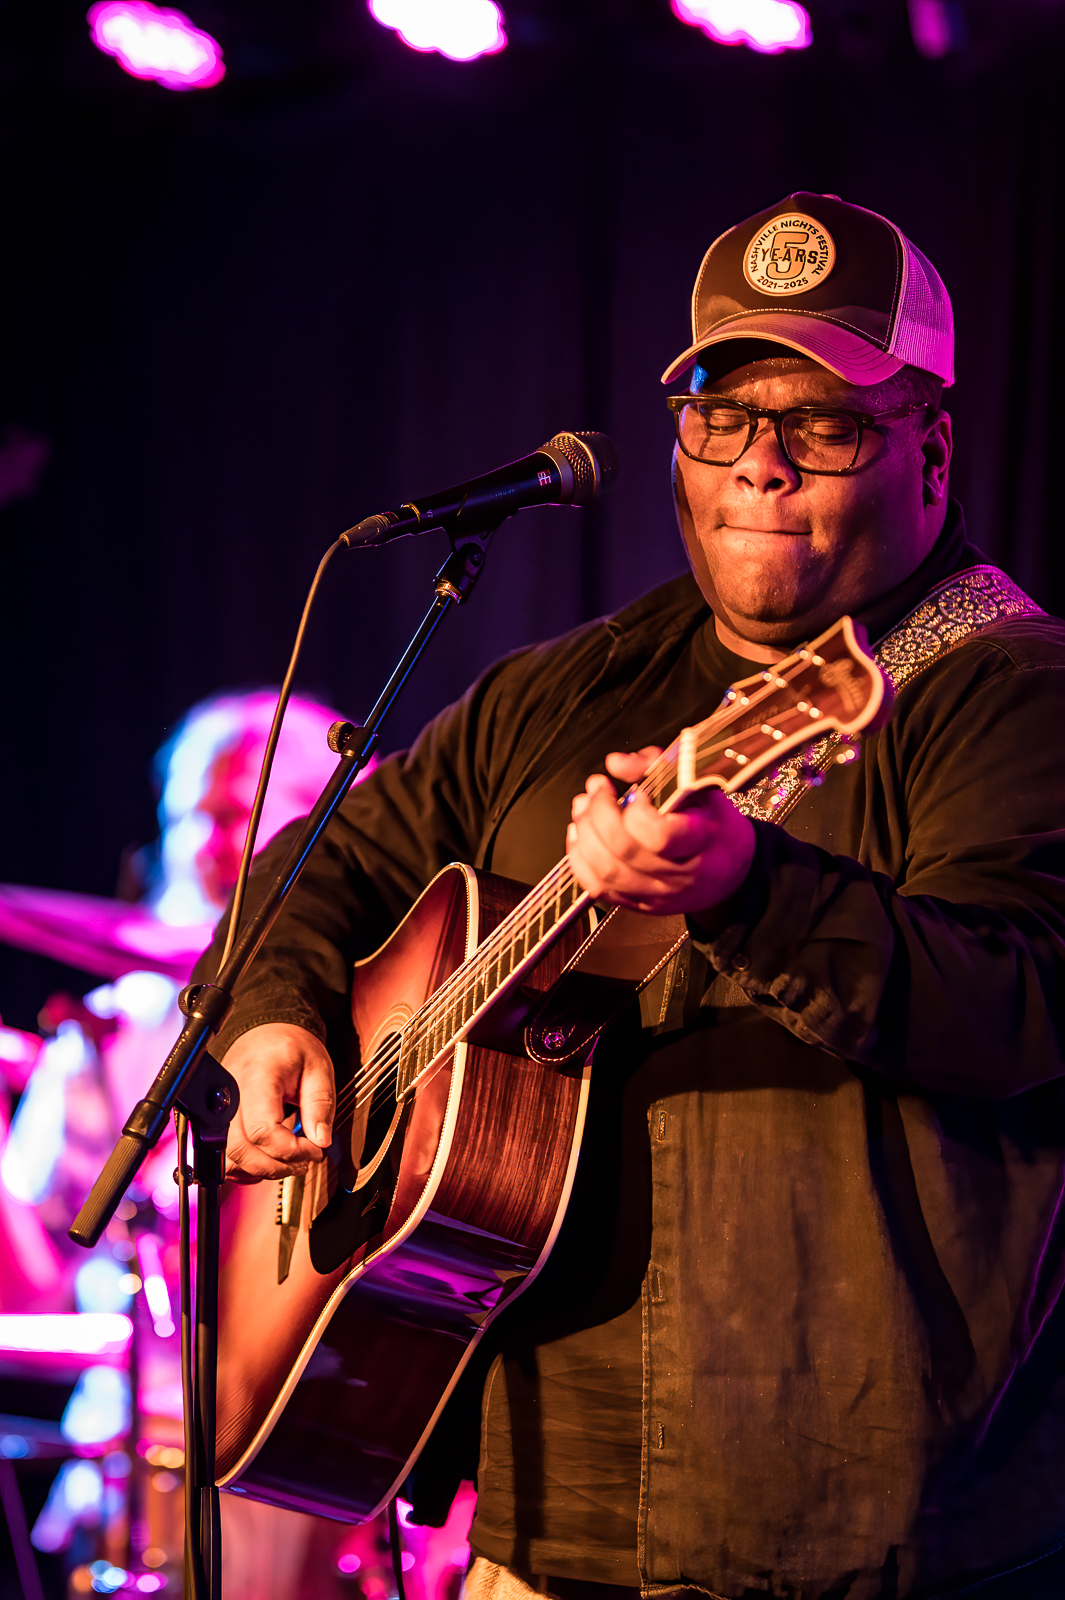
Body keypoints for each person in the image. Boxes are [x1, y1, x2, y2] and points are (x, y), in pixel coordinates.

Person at [204, 194, 1065, 1599]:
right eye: (722, 415)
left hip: (857, 1530)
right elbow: (323, 863)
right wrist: (276, 1017)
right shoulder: (565, 687)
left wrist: (749, 890)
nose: (762, 464)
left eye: (825, 424)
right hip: (540, 1522)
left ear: (931, 447)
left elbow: (1022, 1005)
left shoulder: (1011, 692)